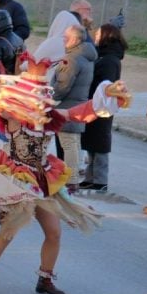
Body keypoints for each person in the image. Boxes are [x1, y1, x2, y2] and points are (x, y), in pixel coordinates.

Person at [0, 53, 128, 294]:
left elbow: (78, 113)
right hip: (15, 179)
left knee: (54, 233)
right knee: (8, 232)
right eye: (36, 96)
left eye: (43, 96)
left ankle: (45, 279)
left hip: (41, 178)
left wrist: (108, 97)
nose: (41, 102)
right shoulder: (14, 116)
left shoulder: (49, 118)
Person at [80, 23, 125, 191]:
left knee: (99, 143)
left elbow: (106, 85)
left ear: (107, 36)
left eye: (99, 34)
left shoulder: (110, 60)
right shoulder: (103, 56)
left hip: (102, 106)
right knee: (91, 142)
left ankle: (100, 180)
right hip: (95, 104)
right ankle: (90, 177)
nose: (96, 37)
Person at [51, 22, 97, 187]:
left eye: (66, 38)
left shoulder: (71, 59)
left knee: (68, 143)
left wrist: (49, 98)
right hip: (79, 104)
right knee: (74, 143)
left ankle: (70, 180)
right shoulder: (87, 56)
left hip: (67, 106)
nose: (63, 41)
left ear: (75, 40)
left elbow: (62, 86)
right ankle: (73, 176)